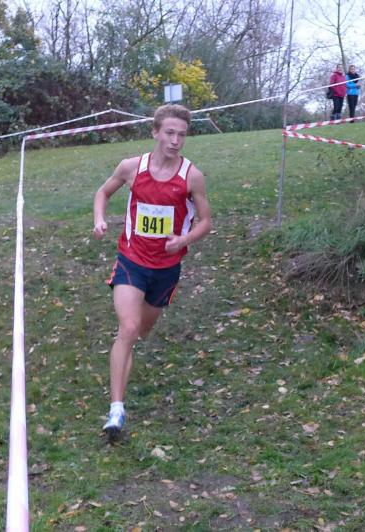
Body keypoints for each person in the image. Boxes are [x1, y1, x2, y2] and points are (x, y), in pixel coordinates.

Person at [92, 104, 212, 439]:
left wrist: (183, 240)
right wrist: (99, 219)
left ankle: (124, 359)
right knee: (128, 328)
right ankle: (116, 410)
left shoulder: (192, 176)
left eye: (182, 135)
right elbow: (103, 192)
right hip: (131, 260)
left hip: (166, 269)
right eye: (170, 133)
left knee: (140, 331)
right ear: (155, 132)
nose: (175, 141)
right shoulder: (132, 167)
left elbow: (206, 222)